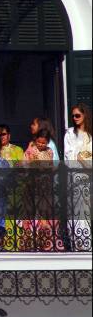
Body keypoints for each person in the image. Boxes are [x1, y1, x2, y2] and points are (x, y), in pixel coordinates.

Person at [64, 103, 92, 252]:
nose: (74, 118)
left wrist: (83, 158)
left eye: (77, 115)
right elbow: (69, 157)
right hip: (74, 176)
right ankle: (76, 243)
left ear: (84, 115)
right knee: (74, 209)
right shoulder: (69, 134)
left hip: (88, 177)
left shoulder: (90, 135)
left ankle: (86, 243)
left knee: (86, 209)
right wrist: (81, 156)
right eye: (73, 115)